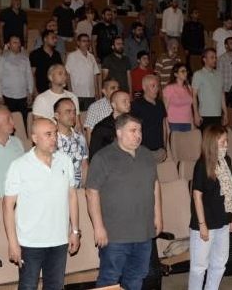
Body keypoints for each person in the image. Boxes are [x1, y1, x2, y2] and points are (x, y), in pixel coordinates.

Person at [3, 117, 80, 290]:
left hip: (59, 240)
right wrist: (13, 243)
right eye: (48, 134)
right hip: (30, 242)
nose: (54, 138)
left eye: (55, 134)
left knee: (55, 286)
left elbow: (72, 196)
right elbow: (7, 206)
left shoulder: (65, 161)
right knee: (28, 287)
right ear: (34, 138)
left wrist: (75, 231)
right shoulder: (19, 165)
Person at [87, 114, 162, 290]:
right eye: (132, 131)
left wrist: (158, 216)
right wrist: (98, 227)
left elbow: (155, 185)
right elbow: (91, 193)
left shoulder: (146, 154)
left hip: (143, 233)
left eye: (140, 131)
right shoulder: (103, 157)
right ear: (119, 132)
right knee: (109, 280)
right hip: (115, 235)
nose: (138, 135)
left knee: (136, 278)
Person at [188, 124, 232, 290]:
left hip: (223, 220)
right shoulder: (202, 164)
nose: (226, 145)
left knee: (219, 264)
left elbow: (230, 192)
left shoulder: (226, 161)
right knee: (199, 267)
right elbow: (197, 195)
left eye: (226, 141)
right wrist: (202, 224)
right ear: (212, 143)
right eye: (222, 142)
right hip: (205, 223)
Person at [131, 74, 169, 161]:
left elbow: (164, 125)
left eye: (157, 86)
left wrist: (164, 146)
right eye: (153, 86)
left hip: (159, 149)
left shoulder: (160, 103)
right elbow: (132, 128)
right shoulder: (136, 104)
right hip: (143, 150)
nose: (157, 89)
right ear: (144, 87)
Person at [0, 35, 35, 122]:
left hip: (23, 95)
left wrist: (30, 92)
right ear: (8, 44)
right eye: (15, 42)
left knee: (24, 120)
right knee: (10, 121)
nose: (18, 44)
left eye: (19, 42)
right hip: (8, 96)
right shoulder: (2, 58)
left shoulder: (25, 58)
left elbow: (29, 76)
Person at [87, 90, 133, 159]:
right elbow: (94, 155)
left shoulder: (134, 124)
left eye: (129, 101)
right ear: (114, 105)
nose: (128, 104)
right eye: (124, 101)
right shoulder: (101, 128)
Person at [55, 97, 89, 187]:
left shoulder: (79, 137)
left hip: (79, 189)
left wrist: (83, 189)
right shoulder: (51, 139)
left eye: (74, 112)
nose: (73, 115)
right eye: (68, 112)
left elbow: (84, 165)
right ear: (57, 115)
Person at [66, 33, 101, 111]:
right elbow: (68, 73)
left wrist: (96, 91)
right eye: (84, 41)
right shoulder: (72, 56)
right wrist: (69, 90)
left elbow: (95, 74)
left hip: (91, 94)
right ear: (78, 43)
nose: (86, 43)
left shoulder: (91, 57)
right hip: (77, 93)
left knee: (89, 115)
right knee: (78, 115)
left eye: (88, 41)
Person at [192, 48, 226, 130]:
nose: (215, 59)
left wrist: (225, 113)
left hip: (218, 115)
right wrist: (196, 114)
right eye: (212, 57)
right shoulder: (198, 74)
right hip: (204, 115)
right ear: (204, 59)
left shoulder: (220, 75)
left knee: (217, 138)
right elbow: (194, 96)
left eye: (215, 57)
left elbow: (222, 95)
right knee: (205, 138)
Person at [84, 79, 120, 144]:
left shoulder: (123, 104)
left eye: (118, 88)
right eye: (113, 88)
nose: (116, 90)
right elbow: (89, 131)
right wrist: (92, 149)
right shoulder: (95, 107)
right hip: (103, 145)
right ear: (104, 91)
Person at [163, 62, 196, 132]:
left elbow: (189, 108)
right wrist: (167, 127)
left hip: (188, 123)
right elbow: (165, 110)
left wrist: (192, 123)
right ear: (175, 74)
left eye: (186, 71)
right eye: (183, 71)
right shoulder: (169, 88)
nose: (186, 73)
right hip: (173, 123)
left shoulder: (189, 88)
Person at [31, 29, 65, 95]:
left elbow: (60, 71)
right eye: (53, 38)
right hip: (41, 91)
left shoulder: (57, 54)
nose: (55, 40)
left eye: (55, 38)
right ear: (45, 39)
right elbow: (32, 74)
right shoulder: (35, 54)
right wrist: (35, 90)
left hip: (56, 91)